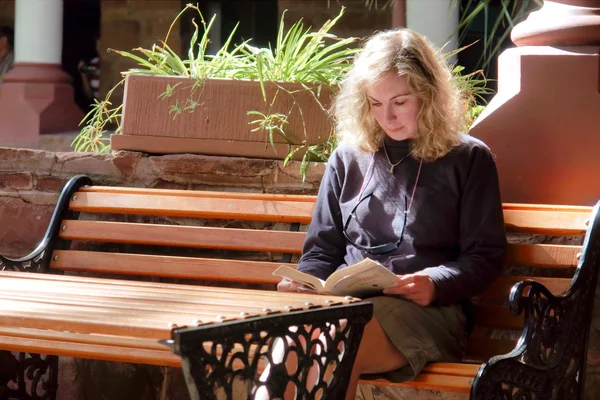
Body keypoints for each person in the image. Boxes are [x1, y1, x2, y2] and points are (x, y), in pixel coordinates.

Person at [277, 28, 507, 399]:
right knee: (282, 350)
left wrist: (434, 281)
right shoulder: (348, 157)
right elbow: (321, 251)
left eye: (400, 102)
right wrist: (306, 281)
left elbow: (485, 256)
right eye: (374, 103)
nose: (387, 116)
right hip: (344, 307)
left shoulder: (467, 158)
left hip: (426, 311)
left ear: (428, 94)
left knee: (332, 344)